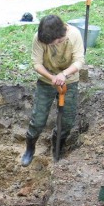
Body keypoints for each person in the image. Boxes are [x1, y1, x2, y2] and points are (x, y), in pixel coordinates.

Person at [21, 15, 85, 167]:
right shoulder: (39, 38)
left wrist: (63, 74)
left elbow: (79, 61)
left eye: (56, 42)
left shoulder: (74, 35)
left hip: (69, 82)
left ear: (61, 35)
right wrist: (52, 77)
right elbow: (36, 63)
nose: (52, 46)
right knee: (38, 119)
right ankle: (30, 148)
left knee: (67, 121)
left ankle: (58, 147)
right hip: (46, 82)